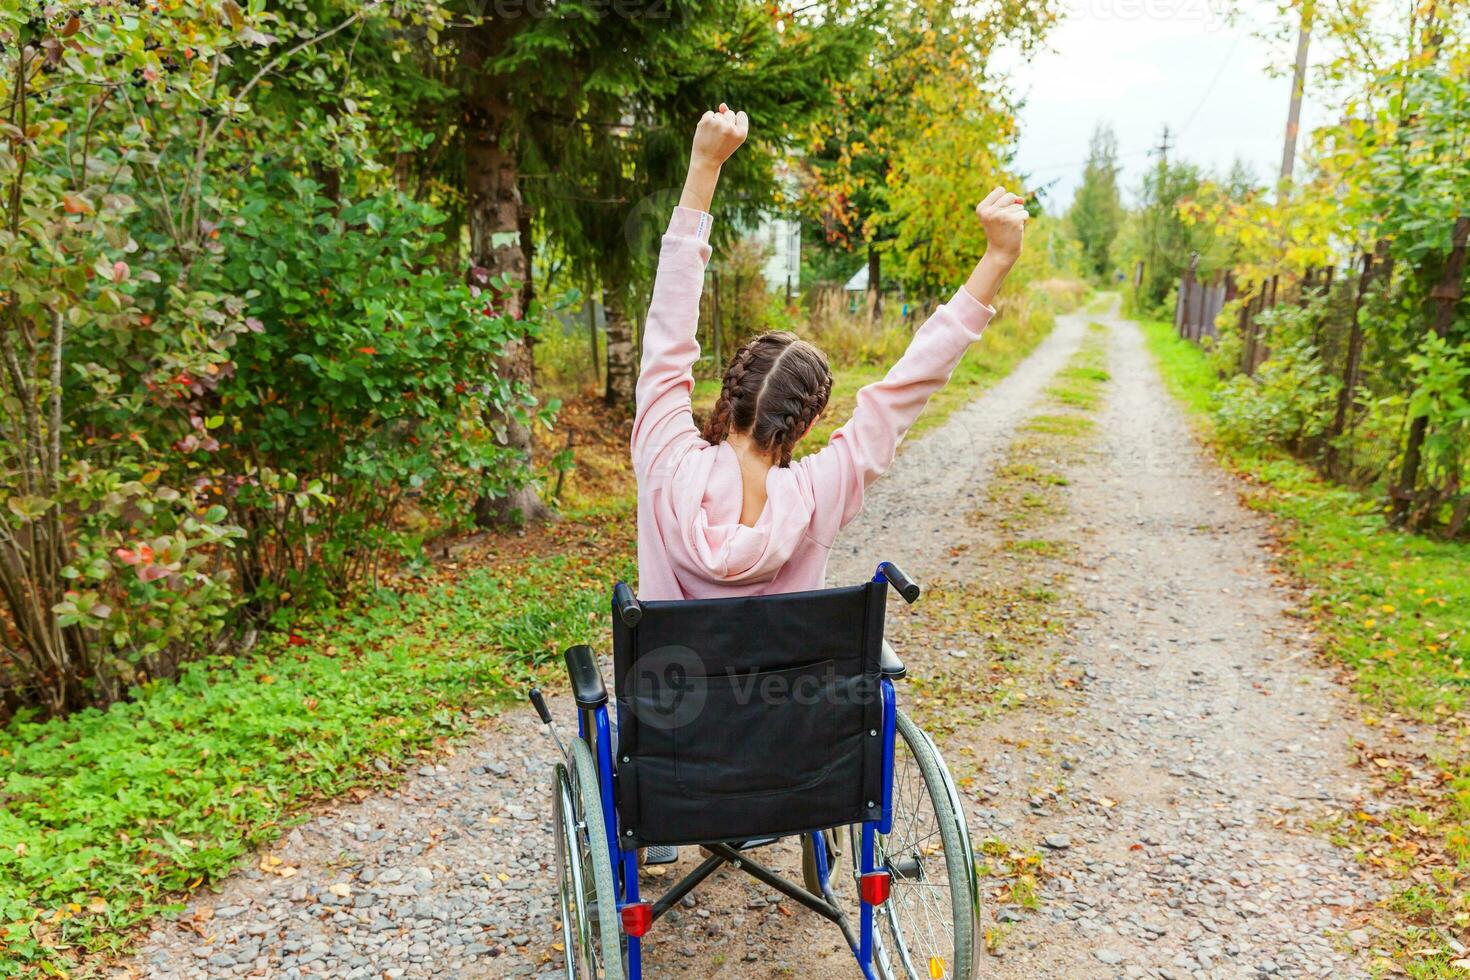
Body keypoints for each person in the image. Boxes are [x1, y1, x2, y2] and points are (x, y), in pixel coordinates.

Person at [632, 104, 1028, 603]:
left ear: (729, 396)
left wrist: (705, 166)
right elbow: (903, 392)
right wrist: (997, 258)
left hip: (669, 681)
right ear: (807, 423)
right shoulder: (817, 495)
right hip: (785, 686)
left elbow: (667, 337)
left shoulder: (664, 459)